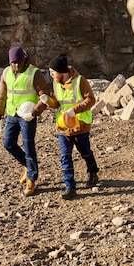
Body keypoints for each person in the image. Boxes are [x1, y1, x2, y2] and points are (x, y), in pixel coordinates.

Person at [0, 46, 51, 196]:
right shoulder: (6, 73)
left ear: (24, 60)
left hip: (28, 116)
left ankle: (32, 179)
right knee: (8, 144)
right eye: (13, 62)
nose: (17, 65)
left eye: (19, 62)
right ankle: (27, 166)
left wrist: (35, 112)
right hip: (12, 114)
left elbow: (45, 95)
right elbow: (2, 95)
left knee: (28, 145)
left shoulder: (34, 73)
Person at [48, 53, 100, 200]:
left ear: (61, 71)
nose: (50, 74)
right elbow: (57, 103)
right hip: (63, 126)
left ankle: (93, 172)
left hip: (80, 125)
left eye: (53, 71)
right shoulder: (56, 83)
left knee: (85, 151)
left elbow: (91, 99)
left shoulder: (80, 81)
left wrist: (74, 110)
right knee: (65, 156)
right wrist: (49, 101)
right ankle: (70, 187)